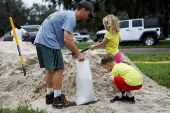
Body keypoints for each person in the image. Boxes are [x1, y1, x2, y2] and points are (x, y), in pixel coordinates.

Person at [34, 0, 95, 109]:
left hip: (40, 40)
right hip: (49, 41)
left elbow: (68, 38)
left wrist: (75, 51)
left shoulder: (65, 14)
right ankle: (57, 99)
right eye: (88, 15)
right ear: (83, 10)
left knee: (50, 69)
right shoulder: (71, 17)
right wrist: (78, 53)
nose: (87, 18)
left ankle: (49, 96)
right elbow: (67, 39)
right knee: (59, 69)